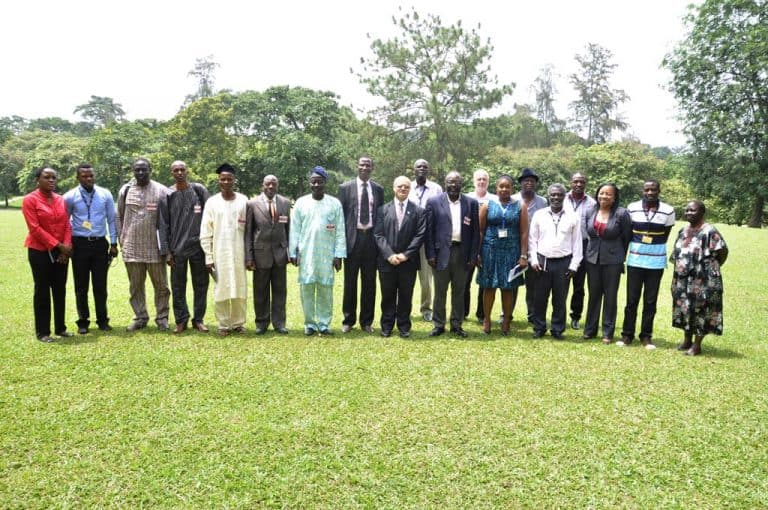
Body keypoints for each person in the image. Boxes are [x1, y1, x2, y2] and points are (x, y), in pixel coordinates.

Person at [618, 180, 676, 350]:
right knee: (631, 300)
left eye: (653, 189)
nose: (650, 192)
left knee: (650, 301)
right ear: (642, 191)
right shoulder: (632, 207)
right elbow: (628, 233)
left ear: (659, 191)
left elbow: (665, 235)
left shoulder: (668, 210)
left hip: (656, 262)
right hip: (635, 260)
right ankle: (627, 335)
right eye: (647, 189)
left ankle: (646, 336)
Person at [289, 166, 347, 336]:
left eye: (320, 182)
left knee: (325, 288)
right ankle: (309, 324)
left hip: (327, 254)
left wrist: (339, 255)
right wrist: (293, 253)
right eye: (313, 182)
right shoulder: (301, 203)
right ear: (310, 183)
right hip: (306, 253)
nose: (316, 185)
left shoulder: (334, 203)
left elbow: (340, 230)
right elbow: (294, 230)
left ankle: (323, 323)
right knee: (307, 288)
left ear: (325, 183)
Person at [116, 158, 171, 332]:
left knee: (161, 286)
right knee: (136, 286)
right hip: (132, 247)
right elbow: (119, 216)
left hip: (155, 248)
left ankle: (162, 318)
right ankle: (140, 317)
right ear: (133, 171)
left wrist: (167, 247)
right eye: (137, 170)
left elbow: (168, 220)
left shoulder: (162, 190)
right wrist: (122, 239)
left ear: (150, 170)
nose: (140, 173)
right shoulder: (126, 190)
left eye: (144, 169)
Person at [63, 163, 118, 334]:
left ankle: (102, 320)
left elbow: (111, 219)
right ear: (77, 177)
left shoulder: (105, 194)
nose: (89, 179)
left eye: (91, 176)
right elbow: (65, 223)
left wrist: (113, 243)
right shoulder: (70, 196)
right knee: (81, 286)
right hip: (79, 244)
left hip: (100, 244)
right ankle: (83, 321)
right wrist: (67, 245)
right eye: (84, 176)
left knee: (100, 285)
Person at [424, 171, 480, 338]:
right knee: (440, 291)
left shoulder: (471, 203)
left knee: (459, 291)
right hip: (440, 253)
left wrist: (473, 256)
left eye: (456, 182)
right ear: (445, 183)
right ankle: (438, 324)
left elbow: (476, 233)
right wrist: (430, 254)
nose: (453, 185)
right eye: (450, 182)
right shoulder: (434, 202)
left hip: (462, 252)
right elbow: (428, 231)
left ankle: (456, 324)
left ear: (461, 184)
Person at [158, 161, 211, 334]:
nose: (179, 172)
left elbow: (210, 217)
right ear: (171, 173)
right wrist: (166, 252)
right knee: (178, 286)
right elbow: (163, 224)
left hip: (199, 247)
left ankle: (198, 319)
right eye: (176, 170)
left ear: (187, 171)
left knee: (201, 284)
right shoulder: (167, 194)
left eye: (182, 169)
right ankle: (181, 320)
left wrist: (210, 247)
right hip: (177, 249)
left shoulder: (199, 190)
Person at [670, 200, 728, 356]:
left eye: (693, 210)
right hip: (683, 278)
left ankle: (697, 345)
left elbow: (723, 252)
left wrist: (710, 268)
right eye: (687, 210)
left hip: (704, 279)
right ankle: (687, 340)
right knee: (684, 307)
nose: (689, 213)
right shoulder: (683, 230)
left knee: (701, 308)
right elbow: (677, 254)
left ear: (702, 212)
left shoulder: (710, 231)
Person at [22, 167, 73, 342]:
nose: (51, 180)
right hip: (39, 251)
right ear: (38, 179)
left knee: (60, 289)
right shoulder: (30, 200)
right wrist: (58, 245)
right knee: (42, 291)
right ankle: (43, 332)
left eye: (54, 177)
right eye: (47, 177)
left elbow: (67, 224)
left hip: (61, 251)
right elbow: (34, 228)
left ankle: (60, 328)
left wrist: (66, 248)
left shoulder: (60, 199)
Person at [374, 175, 427, 338]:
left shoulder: (418, 211)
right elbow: (378, 234)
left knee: (406, 295)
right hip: (387, 262)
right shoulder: (382, 210)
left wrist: (405, 255)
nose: (403, 189)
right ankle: (387, 326)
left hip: (408, 262)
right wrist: (389, 255)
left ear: (410, 189)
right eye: (400, 186)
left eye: (406, 186)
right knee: (387, 295)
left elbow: (420, 235)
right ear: (393, 188)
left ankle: (404, 326)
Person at [200, 163, 249, 336]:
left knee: (240, 287)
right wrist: (208, 257)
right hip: (219, 252)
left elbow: (249, 229)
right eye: (223, 179)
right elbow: (205, 231)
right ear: (219, 181)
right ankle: (223, 324)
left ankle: (238, 323)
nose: (226, 182)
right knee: (221, 288)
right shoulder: (212, 202)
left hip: (239, 251)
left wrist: (249, 255)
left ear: (234, 180)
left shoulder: (243, 200)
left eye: (229, 179)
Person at [529, 184, 583, 339]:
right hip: (542, 261)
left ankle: (557, 329)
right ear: (549, 196)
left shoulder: (573, 217)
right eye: (553, 195)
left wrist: (574, 265)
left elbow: (577, 243)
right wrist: (533, 259)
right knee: (540, 298)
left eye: (559, 195)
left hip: (563, 262)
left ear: (564, 197)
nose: (556, 197)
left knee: (560, 298)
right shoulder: (539, 215)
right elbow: (532, 240)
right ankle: (539, 327)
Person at [476, 174, 527, 335]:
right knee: (489, 286)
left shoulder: (520, 206)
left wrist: (523, 255)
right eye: (501, 186)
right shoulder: (487, 205)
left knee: (507, 287)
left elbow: (524, 232)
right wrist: (477, 253)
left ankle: (506, 320)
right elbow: (480, 230)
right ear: (496, 188)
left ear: (512, 188)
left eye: (507, 186)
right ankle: (487, 320)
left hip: (511, 251)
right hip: (489, 251)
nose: (504, 189)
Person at [338, 156, 384, 333]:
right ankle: (348, 320)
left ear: (372, 168)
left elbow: (380, 216)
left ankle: (366, 321)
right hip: (353, 240)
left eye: (368, 165)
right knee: (350, 282)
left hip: (371, 240)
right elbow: (340, 217)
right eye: (362, 165)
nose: (365, 167)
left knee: (369, 282)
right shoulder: (345, 188)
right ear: (357, 167)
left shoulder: (378, 189)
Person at [583, 183, 632, 344]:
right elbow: (589, 233)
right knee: (593, 295)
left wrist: (620, 256)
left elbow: (627, 237)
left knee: (610, 296)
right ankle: (590, 330)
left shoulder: (621, 213)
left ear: (614, 197)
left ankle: (607, 332)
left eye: (608, 194)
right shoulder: (590, 211)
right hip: (592, 259)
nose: (604, 196)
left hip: (613, 260)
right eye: (601, 193)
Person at [245, 174, 291, 335]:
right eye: (268, 184)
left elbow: (288, 230)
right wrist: (249, 257)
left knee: (280, 290)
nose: (271, 187)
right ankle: (261, 323)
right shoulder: (252, 204)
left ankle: (279, 323)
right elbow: (248, 233)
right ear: (262, 185)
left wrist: (290, 252)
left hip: (280, 254)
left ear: (277, 186)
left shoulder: (285, 203)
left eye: (274, 184)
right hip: (260, 254)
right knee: (260, 291)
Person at [511, 167, 549, 325]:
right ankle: (507, 313)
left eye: (532, 181)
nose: (529, 183)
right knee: (512, 282)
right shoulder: (513, 199)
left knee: (533, 285)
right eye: (526, 180)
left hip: (535, 248)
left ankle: (532, 314)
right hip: (514, 247)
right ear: (521, 183)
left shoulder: (543, 202)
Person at [408, 159, 443, 322]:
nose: (422, 168)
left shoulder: (436, 189)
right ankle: (404, 308)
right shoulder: (406, 186)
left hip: (427, 238)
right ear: (413, 170)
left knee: (426, 278)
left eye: (425, 167)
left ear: (428, 170)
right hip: (408, 238)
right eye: (418, 166)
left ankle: (426, 308)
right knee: (405, 276)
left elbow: (441, 213)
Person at [563, 172, 596, 330]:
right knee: (561, 284)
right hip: (563, 245)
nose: (578, 184)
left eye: (581, 182)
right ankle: (559, 316)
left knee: (579, 285)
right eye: (576, 181)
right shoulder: (562, 198)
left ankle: (575, 316)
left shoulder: (592, 203)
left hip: (583, 245)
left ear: (585, 183)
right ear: (571, 182)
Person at [465, 168, 498, 321]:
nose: (481, 181)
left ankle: (481, 314)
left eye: (484, 179)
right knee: (465, 280)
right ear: (474, 181)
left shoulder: (494, 199)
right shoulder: (466, 198)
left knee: (485, 281)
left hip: (488, 245)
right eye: (479, 179)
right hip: (468, 245)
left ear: (488, 182)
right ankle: (463, 312)